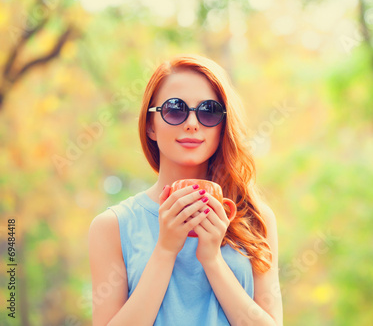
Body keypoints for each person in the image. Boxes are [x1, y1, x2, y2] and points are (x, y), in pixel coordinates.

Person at [88, 54, 283, 325]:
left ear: (223, 125)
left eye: (208, 111)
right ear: (150, 125)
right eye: (175, 109)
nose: (192, 123)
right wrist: (165, 250)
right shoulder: (113, 226)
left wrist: (212, 259)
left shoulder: (255, 218)